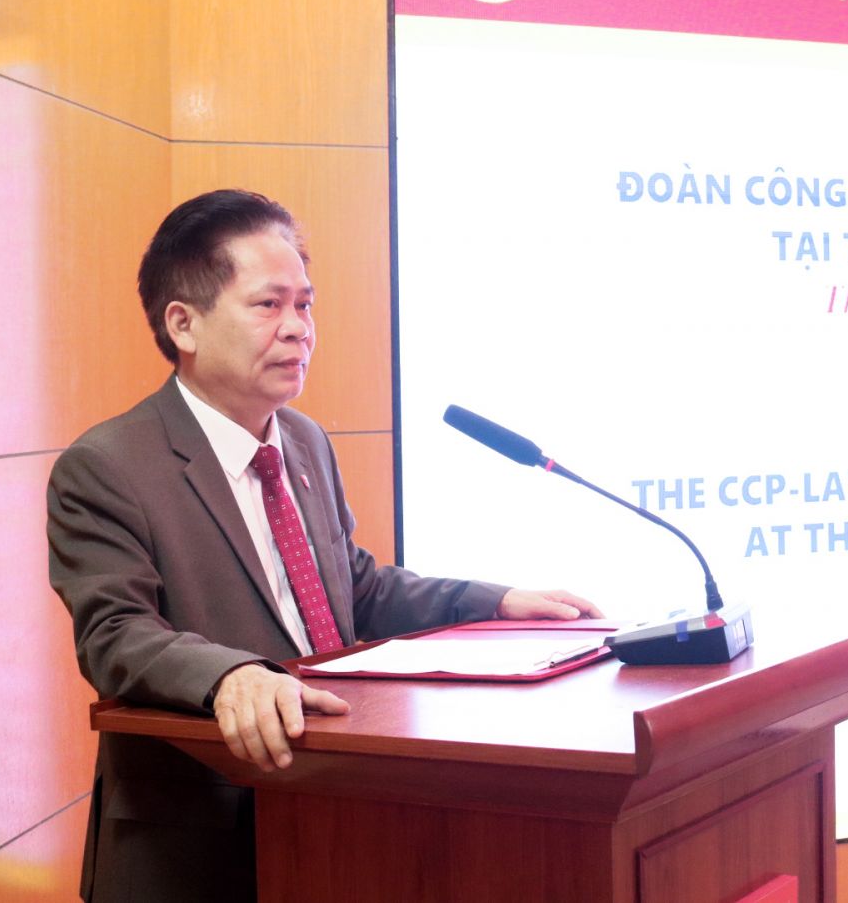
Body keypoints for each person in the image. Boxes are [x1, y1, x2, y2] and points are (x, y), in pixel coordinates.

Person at [48, 189, 598, 903]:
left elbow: (354, 589)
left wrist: (496, 602)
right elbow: (115, 634)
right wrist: (231, 675)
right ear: (183, 323)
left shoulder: (304, 440)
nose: (298, 329)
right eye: (268, 305)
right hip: (200, 836)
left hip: (335, 815)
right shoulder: (108, 465)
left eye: (305, 305)